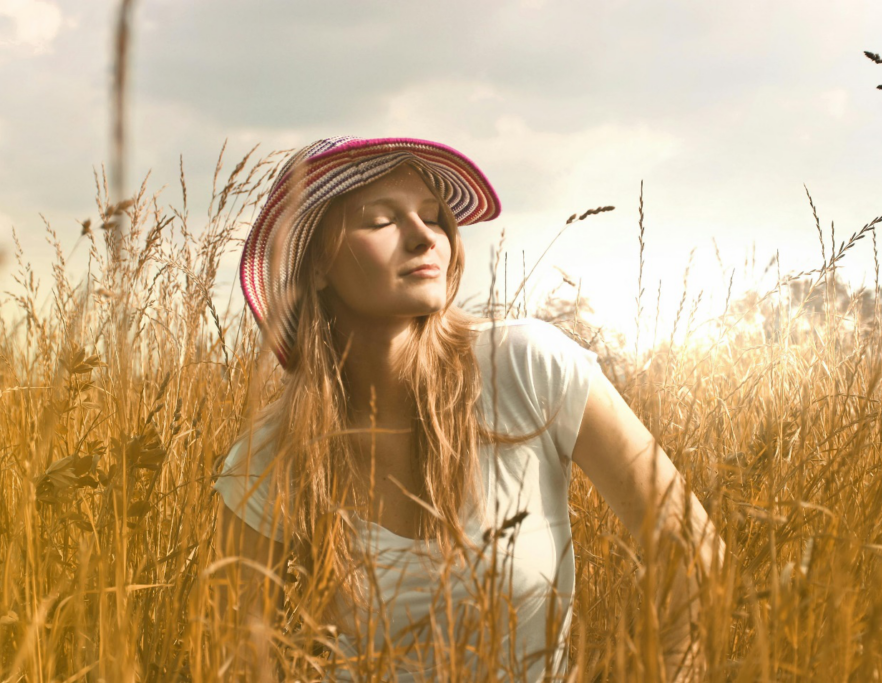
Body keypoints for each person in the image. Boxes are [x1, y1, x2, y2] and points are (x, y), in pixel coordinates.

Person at [211, 136, 724, 682]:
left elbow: (695, 553)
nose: (422, 237)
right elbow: (233, 659)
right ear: (316, 267)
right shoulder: (271, 455)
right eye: (381, 221)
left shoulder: (528, 367)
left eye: (434, 218)